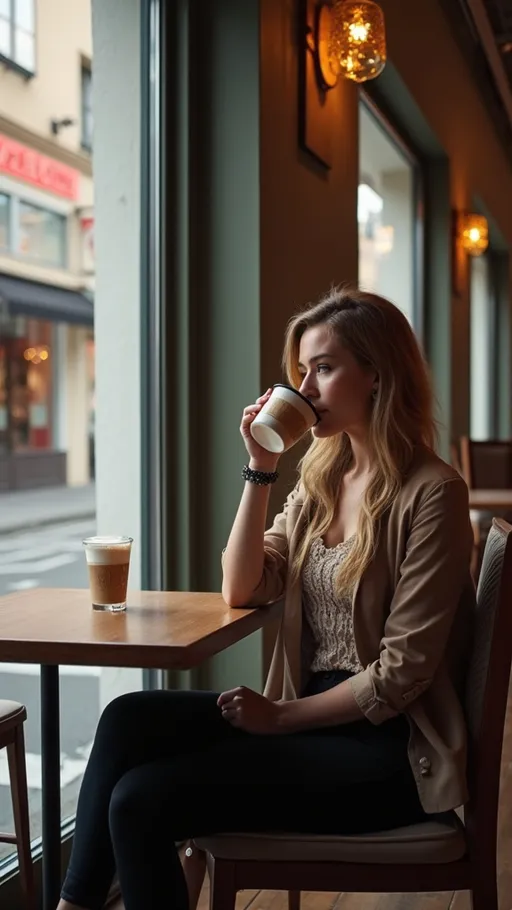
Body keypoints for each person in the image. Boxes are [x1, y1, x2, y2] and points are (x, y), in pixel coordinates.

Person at [57, 286, 475, 910]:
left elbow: (402, 673)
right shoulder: (323, 477)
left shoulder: (433, 493)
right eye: (302, 370)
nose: (304, 387)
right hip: (312, 724)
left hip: (388, 754)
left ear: (378, 375)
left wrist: (279, 718)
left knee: (142, 799)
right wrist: (260, 466)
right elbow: (243, 585)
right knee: (128, 719)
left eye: (324, 368)